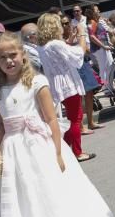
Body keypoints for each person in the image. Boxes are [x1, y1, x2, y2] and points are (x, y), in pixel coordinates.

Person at [0, 33, 115, 217]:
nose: (8, 61)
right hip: (14, 151)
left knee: (54, 197)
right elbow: (2, 127)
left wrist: (59, 152)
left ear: (23, 55)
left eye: (12, 55)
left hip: (39, 145)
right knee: (27, 205)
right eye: (2, 57)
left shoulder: (37, 82)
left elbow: (51, 120)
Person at [35, 12, 95, 162]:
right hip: (67, 84)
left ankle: (66, 150)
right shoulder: (55, 44)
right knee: (76, 119)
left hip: (57, 84)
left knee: (71, 118)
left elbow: (64, 53)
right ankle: (75, 151)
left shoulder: (43, 46)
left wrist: (70, 40)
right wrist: (82, 35)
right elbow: (77, 55)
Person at [84, 6, 115, 95]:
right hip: (99, 49)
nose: (99, 11)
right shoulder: (91, 23)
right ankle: (105, 87)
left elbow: (103, 34)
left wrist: (108, 43)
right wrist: (104, 46)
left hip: (104, 47)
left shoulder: (98, 22)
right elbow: (92, 37)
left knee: (110, 66)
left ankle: (110, 86)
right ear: (92, 13)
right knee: (104, 69)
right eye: (97, 11)